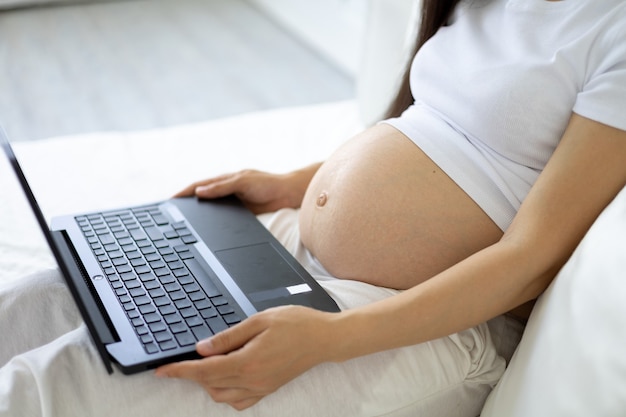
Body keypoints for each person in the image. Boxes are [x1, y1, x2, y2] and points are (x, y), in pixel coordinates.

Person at [1, 0, 625, 416]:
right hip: (300, 256)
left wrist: (330, 339)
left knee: (56, 385)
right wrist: (299, 184)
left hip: (430, 317)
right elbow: (435, 126)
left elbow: (532, 259)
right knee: (39, 301)